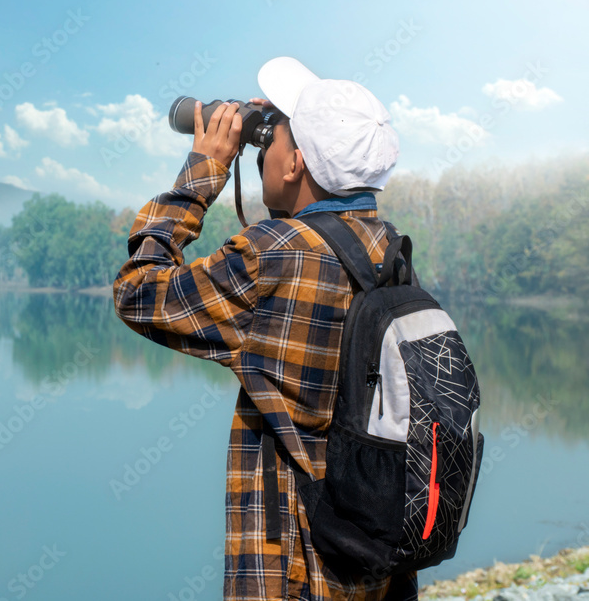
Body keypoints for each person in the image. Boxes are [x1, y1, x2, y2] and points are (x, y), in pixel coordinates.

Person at [112, 56, 418, 601]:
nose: (262, 144)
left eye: (273, 135)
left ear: (295, 162)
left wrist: (204, 171)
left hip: (293, 569)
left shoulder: (275, 255)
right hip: (372, 560)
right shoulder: (390, 250)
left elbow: (138, 292)